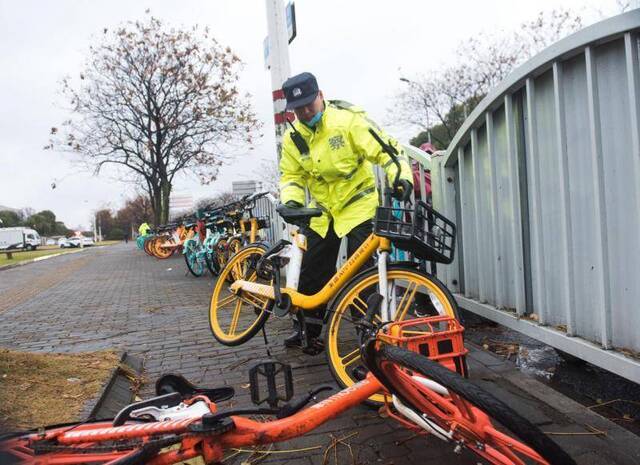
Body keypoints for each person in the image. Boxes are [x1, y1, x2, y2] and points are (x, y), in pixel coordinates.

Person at [279, 72, 413, 349]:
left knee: (359, 275)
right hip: (323, 213)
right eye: (297, 109)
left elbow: (387, 150)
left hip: (358, 206)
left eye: (308, 105)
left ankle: (369, 339)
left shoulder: (347, 120)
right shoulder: (293, 137)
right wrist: (291, 201)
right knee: (312, 272)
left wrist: (400, 177)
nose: (304, 112)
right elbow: (291, 175)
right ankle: (308, 331)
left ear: (320, 95)